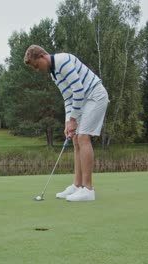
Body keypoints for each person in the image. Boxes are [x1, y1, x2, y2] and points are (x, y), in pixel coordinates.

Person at [24, 45, 109, 202]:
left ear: (42, 56)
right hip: (84, 100)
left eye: (37, 66)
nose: (37, 70)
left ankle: (88, 189)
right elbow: (68, 97)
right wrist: (67, 123)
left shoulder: (63, 61)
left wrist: (73, 120)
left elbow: (78, 90)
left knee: (83, 137)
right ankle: (77, 186)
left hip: (95, 95)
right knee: (76, 138)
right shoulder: (54, 74)